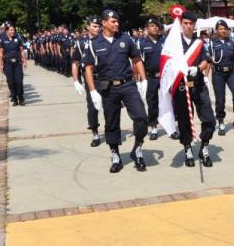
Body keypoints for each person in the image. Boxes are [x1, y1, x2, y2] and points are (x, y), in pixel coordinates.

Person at [83, 9, 149, 173]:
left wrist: (144, 79)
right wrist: (92, 91)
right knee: (111, 123)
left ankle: (137, 149)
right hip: (107, 87)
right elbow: (89, 69)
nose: (117, 24)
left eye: (118, 21)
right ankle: (115, 155)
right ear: (104, 23)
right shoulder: (93, 43)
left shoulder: (125, 39)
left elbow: (137, 59)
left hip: (128, 85)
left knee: (141, 117)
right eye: (113, 21)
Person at [171, 11, 216, 167]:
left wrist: (198, 68)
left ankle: (204, 147)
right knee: (184, 120)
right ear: (181, 24)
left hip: (198, 84)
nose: (189, 26)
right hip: (182, 86)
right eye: (186, 23)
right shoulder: (174, 43)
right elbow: (168, 63)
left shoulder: (199, 42)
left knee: (209, 118)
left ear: (195, 25)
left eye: (191, 24)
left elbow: (206, 60)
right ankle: (188, 147)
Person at [210, 19, 234, 136]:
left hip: (231, 73)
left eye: (225, 29)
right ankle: (220, 122)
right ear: (216, 30)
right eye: (220, 29)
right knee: (220, 100)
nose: (223, 31)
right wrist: (205, 76)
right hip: (218, 74)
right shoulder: (212, 44)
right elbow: (208, 61)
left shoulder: (231, 43)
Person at [71, 17, 102, 147]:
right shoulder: (81, 43)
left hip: (105, 76)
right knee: (92, 107)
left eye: (98, 26)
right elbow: (75, 63)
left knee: (110, 105)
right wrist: (76, 81)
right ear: (88, 27)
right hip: (91, 78)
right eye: (94, 26)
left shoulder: (103, 40)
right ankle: (95, 132)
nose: (97, 29)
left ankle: (112, 130)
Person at [139, 17, 166, 140]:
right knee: (152, 102)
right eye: (152, 26)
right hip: (151, 78)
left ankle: (170, 127)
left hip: (165, 76)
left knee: (168, 102)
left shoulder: (164, 41)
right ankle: (154, 127)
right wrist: (141, 79)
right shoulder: (141, 43)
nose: (155, 28)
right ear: (147, 29)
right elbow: (137, 62)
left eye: (156, 26)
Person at [0, 24, 27, 106]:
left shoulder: (18, 39)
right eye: (11, 30)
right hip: (7, 63)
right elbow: (0, 53)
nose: (13, 32)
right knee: (11, 81)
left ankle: (21, 98)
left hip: (17, 63)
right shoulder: (3, 40)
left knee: (19, 81)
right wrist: (0, 64)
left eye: (13, 30)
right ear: (7, 31)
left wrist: (24, 61)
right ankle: (14, 99)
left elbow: (21, 51)